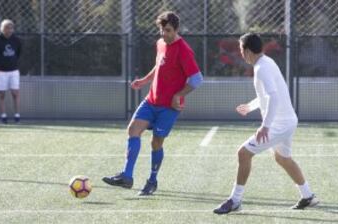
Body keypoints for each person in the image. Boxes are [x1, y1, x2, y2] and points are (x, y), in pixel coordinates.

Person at [213, 33, 319, 214]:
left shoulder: (262, 67)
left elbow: (274, 97)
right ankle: (308, 195)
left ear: (247, 50)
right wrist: (250, 106)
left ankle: (235, 200)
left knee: (243, 153)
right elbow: (267, 95)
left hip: (280, 124)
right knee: (282, 158)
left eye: (240, 50)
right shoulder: (266, 63)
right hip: (287, 122)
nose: (240, 54)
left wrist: (266, 126)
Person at [102, 11, 203, 196]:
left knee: (156, 143)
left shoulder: (184, 50)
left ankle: (152, 181)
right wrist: (145, 81)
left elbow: (197, 79)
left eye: (168, 30)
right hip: (151, 100)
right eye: (162, 30)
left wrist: (178, 95)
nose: (164, 34)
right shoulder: (160, 43)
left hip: (168, 108)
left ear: (177, 29)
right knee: (133, 130)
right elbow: (159, 65)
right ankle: (127, 176)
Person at [0, 19, 21, 124]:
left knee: (15, 93)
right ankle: (3, 117)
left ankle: (17, 116)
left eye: (11, 28)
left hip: (14, 71)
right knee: (1, 94)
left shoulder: (16, 40)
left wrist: (13, 63)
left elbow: (18, 53)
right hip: (1, 72)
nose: (9, 30)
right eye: (7, 28)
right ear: (2, 29)